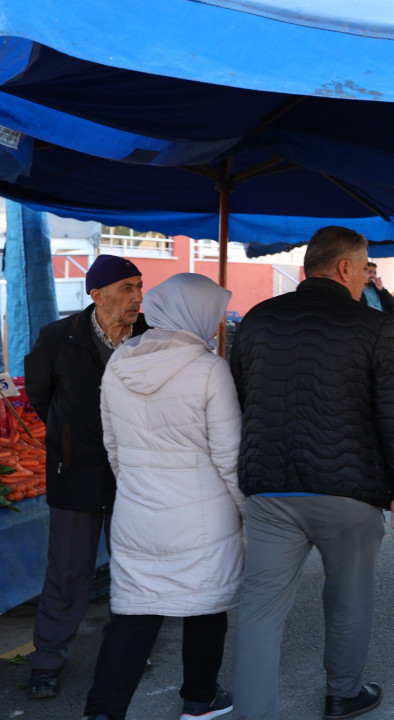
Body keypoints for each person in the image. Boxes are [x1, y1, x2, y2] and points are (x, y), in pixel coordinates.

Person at [230, 227, 394, 720]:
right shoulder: (374, 326)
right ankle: (343, 694)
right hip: (348, 491)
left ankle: (254, 712)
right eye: (362, 269)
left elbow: (241, 399)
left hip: (270, 488)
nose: (363, 279)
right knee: (349, 596)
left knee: (259, 608)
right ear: (344, 269)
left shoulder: (257, 320)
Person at [84, 273, 242, 720]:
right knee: (205, 605)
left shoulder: (119, 363)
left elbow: (112, 446)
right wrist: (248, 511)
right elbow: (229, 457)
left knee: (135, 613)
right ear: (194, 314)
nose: (214, 326)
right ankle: (200, 698)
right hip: (203, 515)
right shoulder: (211, 369)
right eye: (211, 315)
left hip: (136, 512)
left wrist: (139, 487)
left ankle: (102, 711)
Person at [23, 255, 146, 700]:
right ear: (97, 294)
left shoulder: (150, 338)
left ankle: (129, 650)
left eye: (139, 286)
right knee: (68, 570)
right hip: (75, 472)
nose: (137, 297)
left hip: (134, 474)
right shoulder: (58, 337)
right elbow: (40, 395)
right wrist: (69, 436)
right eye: (127, 287)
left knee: (132, 567)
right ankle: (47, 660)